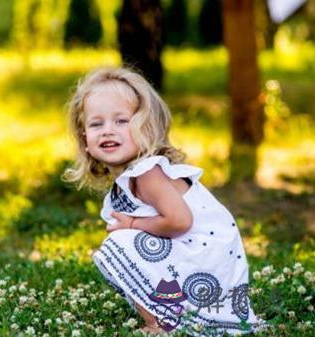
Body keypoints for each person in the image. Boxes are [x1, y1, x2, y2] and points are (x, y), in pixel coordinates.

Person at [62, 67, 269, 336]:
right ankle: (175, 315)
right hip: (198, 258)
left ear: (145, 129)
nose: (108, 131)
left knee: (119, 244)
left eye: (121, 121)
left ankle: (160, 323)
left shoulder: (147, 173)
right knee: (123, 249)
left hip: (206, 256)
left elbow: (180, 221)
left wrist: (134, 224)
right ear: (85, 140)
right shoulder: (131, 178)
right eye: (96, 124)